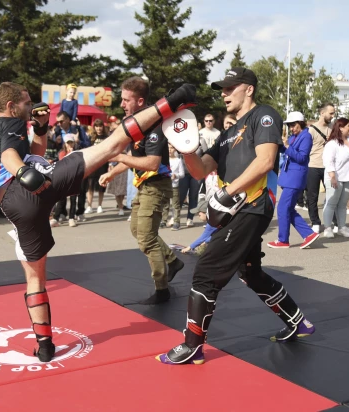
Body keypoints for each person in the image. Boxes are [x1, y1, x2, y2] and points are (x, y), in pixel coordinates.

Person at [0, 81, 196, 362]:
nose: (31, 107)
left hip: (14, 207)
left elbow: (31, 154)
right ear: (10, 106)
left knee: (35, 279)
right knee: (113, 143)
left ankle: (45, 345)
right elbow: (10, 157)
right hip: (29, 188)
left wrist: (41, 130)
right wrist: (24, 174)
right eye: (26, 102)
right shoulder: (11, 124)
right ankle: (173, 99)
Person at [157, 67, 315, 366]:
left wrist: (229, 193)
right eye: (222, 89)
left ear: (249, 89)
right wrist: (187, 148)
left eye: (230, 88)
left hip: (251, 205)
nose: (224, 93)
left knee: (205, 273)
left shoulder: (264, 115)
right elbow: (200, 170)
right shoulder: (228, 133)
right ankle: (299, 322)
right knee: (250, 272)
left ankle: (192, 346)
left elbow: (266, 160)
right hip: (235, 209)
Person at [99, 76, 186, 305]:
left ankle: (162, 289)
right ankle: (173, 261)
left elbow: (152, 163)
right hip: (145, 186)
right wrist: (112, 172)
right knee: (137, 229)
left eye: (126, 100)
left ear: (139, 101)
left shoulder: (153, 123)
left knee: (146, 238)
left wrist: (118, 157)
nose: (122, 104)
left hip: (156, 185)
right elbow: (133, 159)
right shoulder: (136, 123)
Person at [267, 111, 319, 249]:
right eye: (289, 125)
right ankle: (309, 234)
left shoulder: (306, 136)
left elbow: (302, 158)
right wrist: (281, 146)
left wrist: (287, 147)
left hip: (295, 178)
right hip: (290, 177)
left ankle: (283, 240)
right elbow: (287, 151)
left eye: (293, 125)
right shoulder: (295, 137)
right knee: (289, 209)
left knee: (283, 208)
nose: (291, 128)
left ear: (300, 123)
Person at [322, 118, 349, 239]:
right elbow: (328, 161)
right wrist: (332, 176)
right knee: (331, 203)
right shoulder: (332, 144)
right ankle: (328, 227)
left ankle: (342, 227)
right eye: (348, 126)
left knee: (342, 204)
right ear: (340, 127)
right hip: (335, 177)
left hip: (348, 177)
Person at [306, 103, 335, 232]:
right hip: (313, 165)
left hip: (328, 167)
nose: (333, 116)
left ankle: (333, 222)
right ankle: (315, 222)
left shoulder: (333, 128)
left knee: (332, 196)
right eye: (331, 113)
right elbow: (306, 149)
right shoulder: (311, 129)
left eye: (333, 113)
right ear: (322, 113)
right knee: (312, 196)